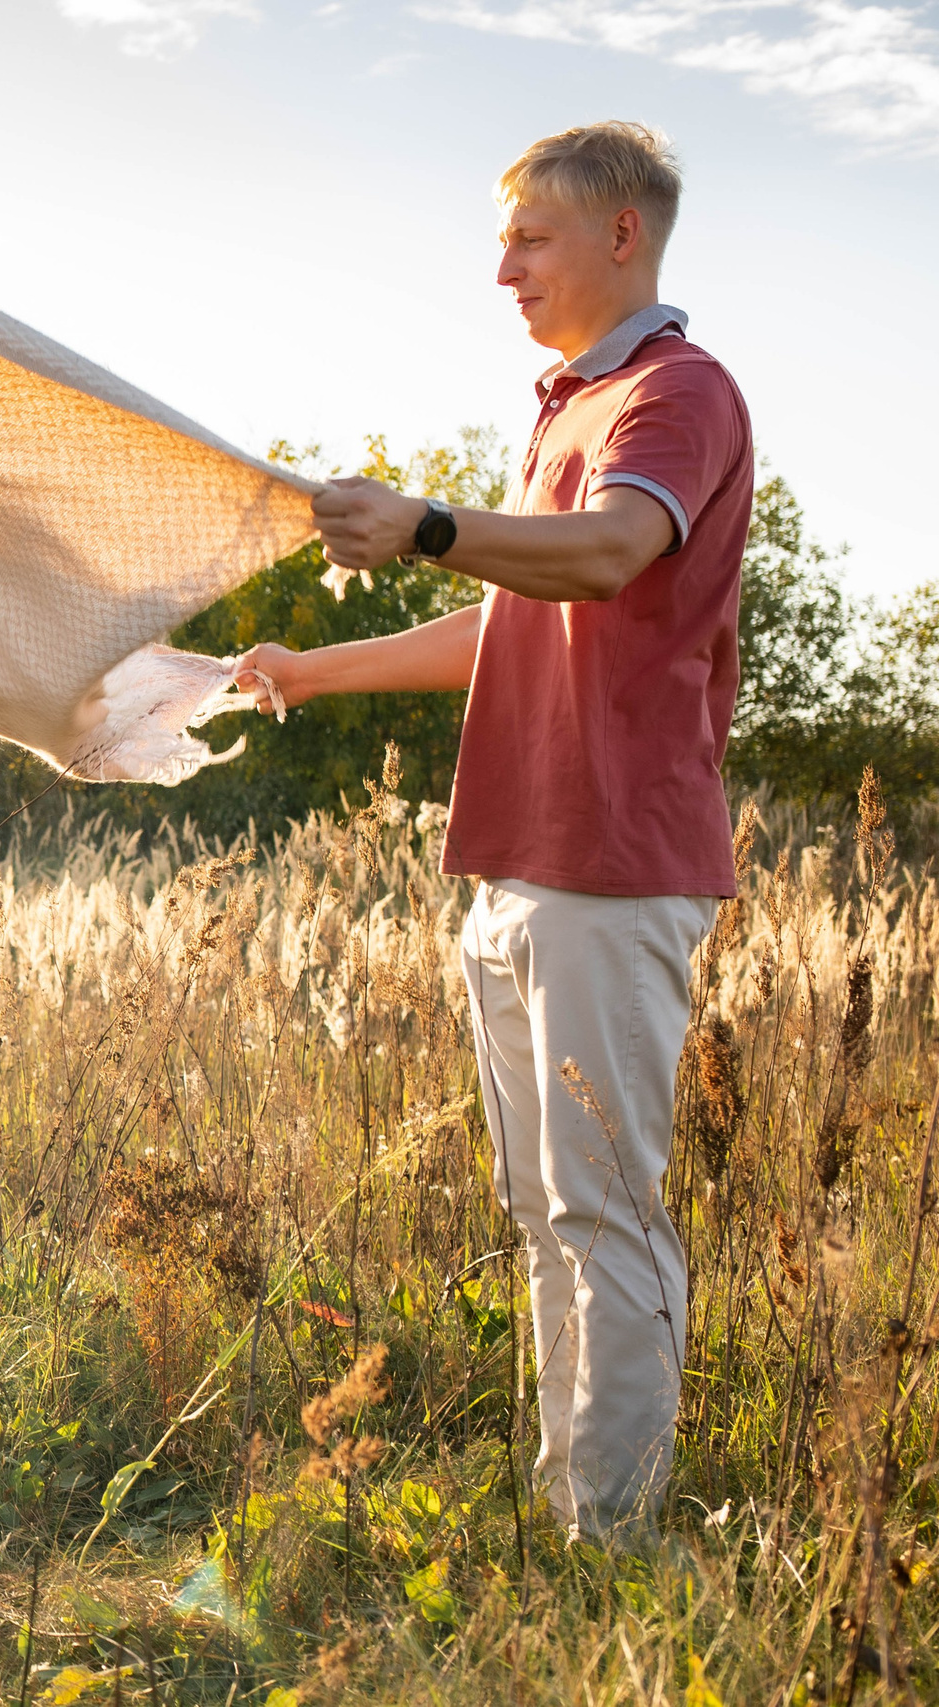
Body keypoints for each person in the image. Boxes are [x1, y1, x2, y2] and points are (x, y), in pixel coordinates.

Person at [235, 122, 751, 1540]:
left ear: (622, 236)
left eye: (530, 235)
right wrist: (314, 666)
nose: (504, 265)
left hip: (612, 859)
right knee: (545, 1211)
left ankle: (619, 1538)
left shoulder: (675, 392)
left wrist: (426, 522)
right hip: (520, 857)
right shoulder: (563, 411)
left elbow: (605, 553)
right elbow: (513, 613)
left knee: (606, 1212)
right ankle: (571, 1508)